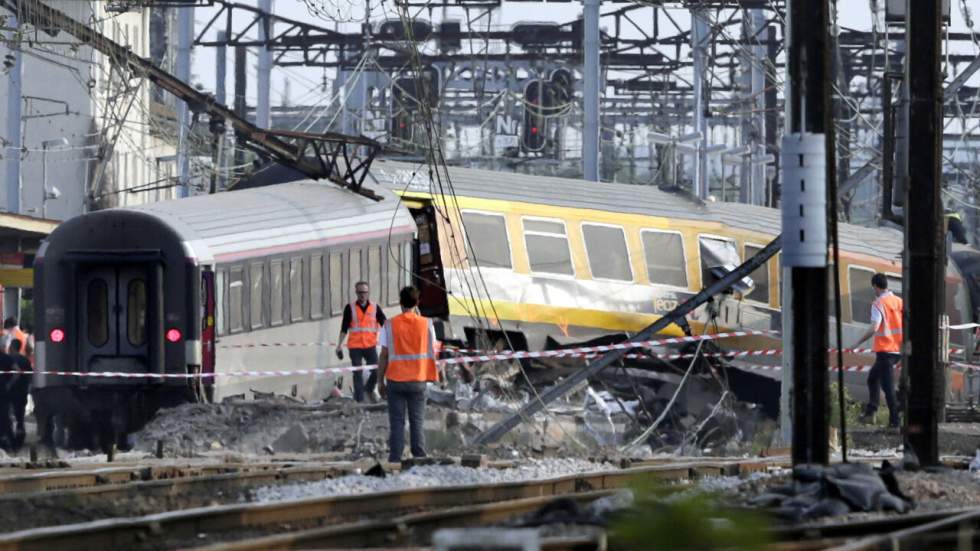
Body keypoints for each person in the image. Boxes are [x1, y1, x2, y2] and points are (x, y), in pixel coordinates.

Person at [377, 286, 439, 463]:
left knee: (397, 423)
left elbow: (384, 355)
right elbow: (432, 349)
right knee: (416, 422)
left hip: (395, 380)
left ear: (400, 302)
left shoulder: (389, 324)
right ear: (417, 302)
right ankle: (419, 457)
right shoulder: (426, 324)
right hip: (418, 380)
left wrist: (379, 382)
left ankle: (395, 459)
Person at [852, 273, 903, 427]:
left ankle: (894, 421)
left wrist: (858, 342)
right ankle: (871, 412)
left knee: (887, 387)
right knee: (873, 378)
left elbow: (874, 327)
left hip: (885, 350)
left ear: (875, 286)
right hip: (898, 350)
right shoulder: (899, 301)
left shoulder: (878, 304)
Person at [335, 281, 386, 402]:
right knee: (357, 373)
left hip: (370, 345)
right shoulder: (350, 308)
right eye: (360, 292)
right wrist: (339, 345)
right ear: (356, 293)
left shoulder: (375, 308)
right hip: (355, 346)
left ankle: (368, 389)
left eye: (365, 292)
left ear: (368, 293)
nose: (362, 295)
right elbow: (344, 329)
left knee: (377, 371)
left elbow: (385, 324)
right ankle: (360, 400)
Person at [6, 339, 30, 448]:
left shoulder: (9, 359)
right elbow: (30, 375)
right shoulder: (25, 360)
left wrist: (8, 385)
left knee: (7, 415)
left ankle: (10, 438)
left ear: (12, 346)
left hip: (9, 392)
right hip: (22, 392)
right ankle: (20, 435)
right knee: (20, 416)